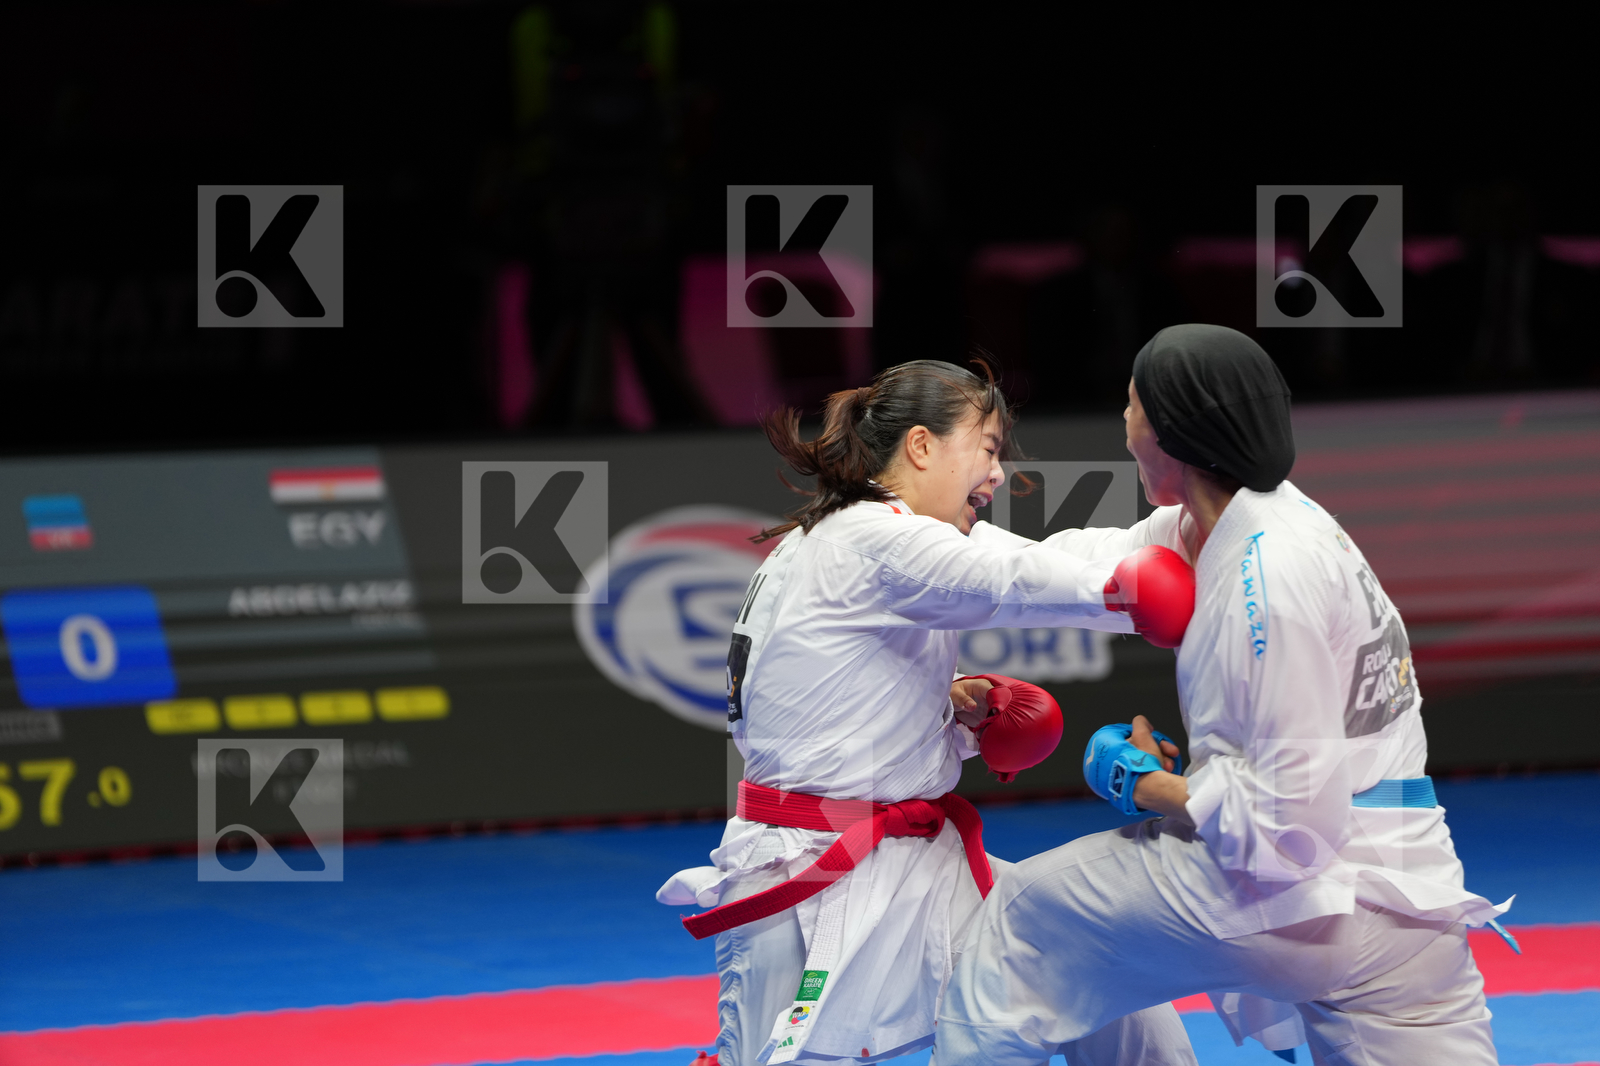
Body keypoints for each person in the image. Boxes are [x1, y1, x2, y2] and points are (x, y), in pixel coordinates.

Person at [936, 325, 1511, 1066]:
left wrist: (1149, 785)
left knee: (1021, 926)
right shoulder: (1230, 524)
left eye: (1132, 403)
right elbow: (1069, 567)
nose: (1122, 421)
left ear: (1171, 429)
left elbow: (1289, 827)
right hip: (1411, 909)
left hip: (1319, 893)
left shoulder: (1266, 577)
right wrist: (906, 536)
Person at [658, 360, 1197, 1066]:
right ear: (920, 446)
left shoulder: (863, 536)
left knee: (1099, 965)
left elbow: (1061, 553)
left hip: (915, 866)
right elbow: (1022, 581)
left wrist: (1204, 512)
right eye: (988, 447)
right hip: (811, 872)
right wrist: (1132, 593)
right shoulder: (876, 538)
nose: (997, 474)